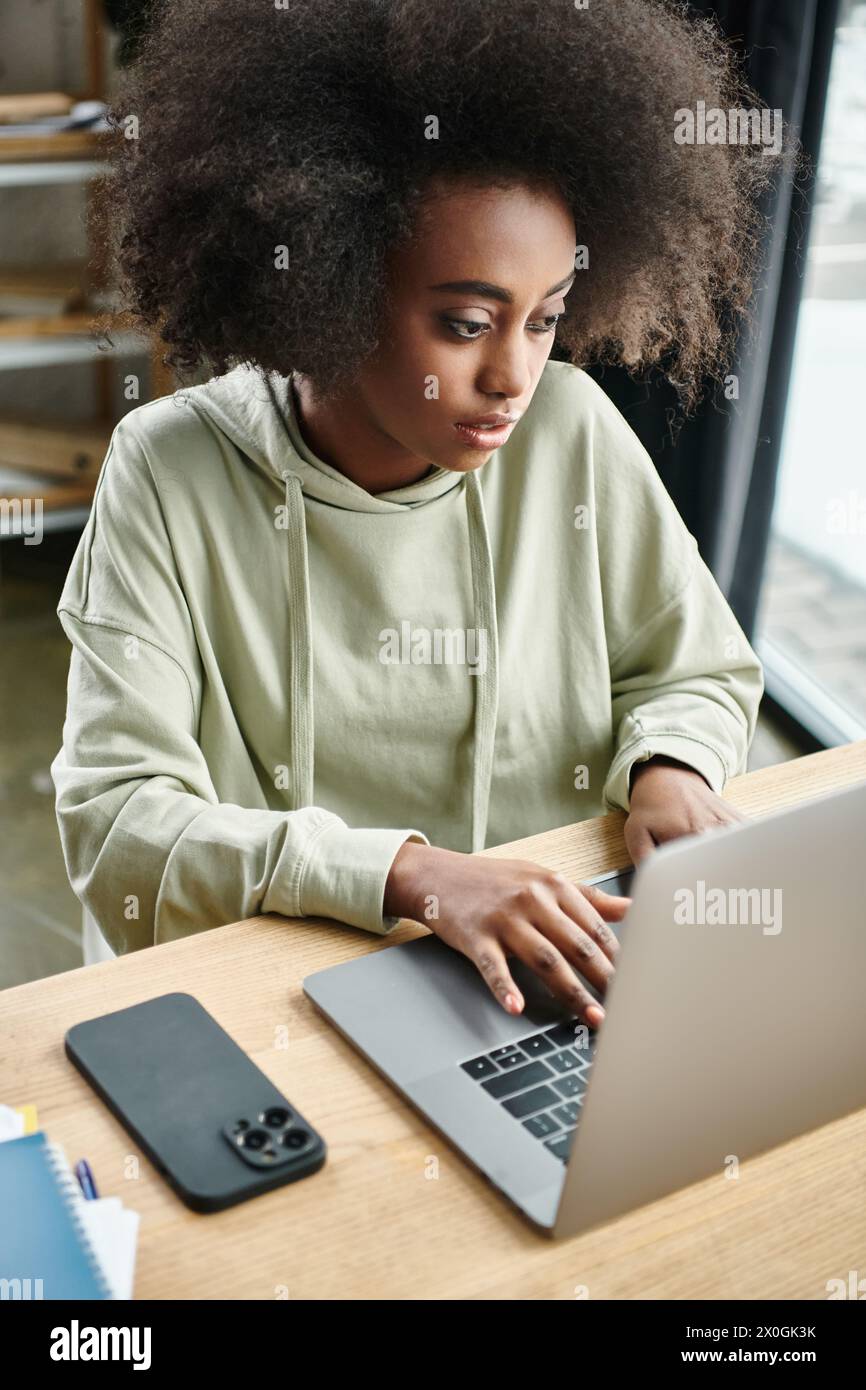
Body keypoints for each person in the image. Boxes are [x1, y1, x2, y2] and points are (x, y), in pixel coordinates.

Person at [52, 0, 777, 1026]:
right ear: (332, 285)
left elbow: (694, 665)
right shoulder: (169, 471)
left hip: (553, 982)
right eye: (466, 322)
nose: (513, 375)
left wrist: (668, 762)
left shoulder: (568, 430)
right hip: (282, 1002)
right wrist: (414, 875)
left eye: (545, 319)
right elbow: (118, 823)